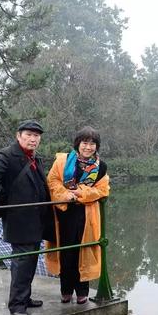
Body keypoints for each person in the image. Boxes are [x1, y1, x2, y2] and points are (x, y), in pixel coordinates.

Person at [0, 120, 53, 315]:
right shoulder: (8, 155)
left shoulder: (35, 158)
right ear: (18, 136)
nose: (33, 139)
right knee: (21, 262)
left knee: (30, 261)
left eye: (36, 136)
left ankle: (25, 298)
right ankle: (17, 304)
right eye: (28, 134)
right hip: (19, 220)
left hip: (36, 219)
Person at [45, 126, 110, 304]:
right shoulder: (63, 161)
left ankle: (82, 291)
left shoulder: (101, 167)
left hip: (87, 214)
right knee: (66, 252)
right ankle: (65, 290)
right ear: (78, 144)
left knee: (84, 250)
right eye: (85, 143)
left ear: (97, 146)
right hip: (64, 213)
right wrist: (65, 195)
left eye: (92, 144)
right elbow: (52, 181)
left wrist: (80, 193)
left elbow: (103, 190)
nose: (88, 147)